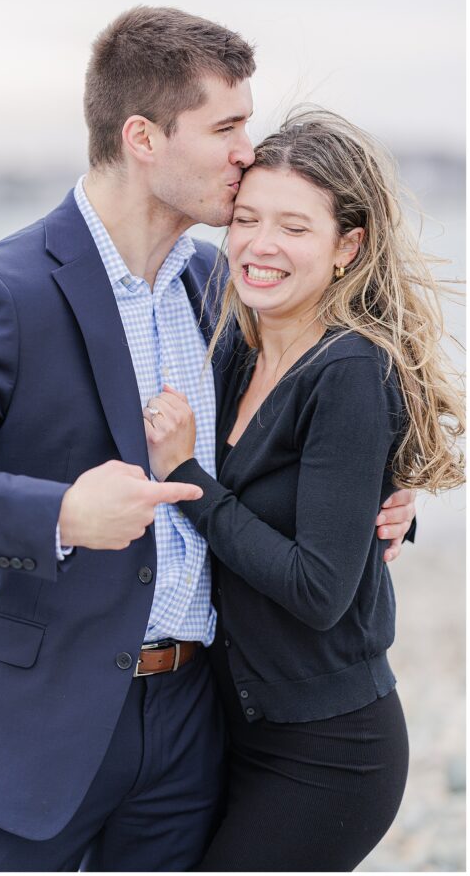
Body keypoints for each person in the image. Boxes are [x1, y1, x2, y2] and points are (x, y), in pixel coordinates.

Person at [0, 9, 415, 873]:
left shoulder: (217, 284)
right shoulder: (2, 290)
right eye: (225, 127)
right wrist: (63, 513)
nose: (244, 151)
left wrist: (382, 512)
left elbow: (288, 448)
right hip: (30, 719)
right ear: (143, 136)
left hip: (194, 717)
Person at [143, 107, 464, 872]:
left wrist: (187, 477)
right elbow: (305, 501)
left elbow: (318, 589)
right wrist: (381, 512)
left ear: (347, 246)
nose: (259, 245)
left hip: (326, 751)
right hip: (230, 723)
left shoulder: (350, 372)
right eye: (246, 219)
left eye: (293, 226)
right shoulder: (231, 354)